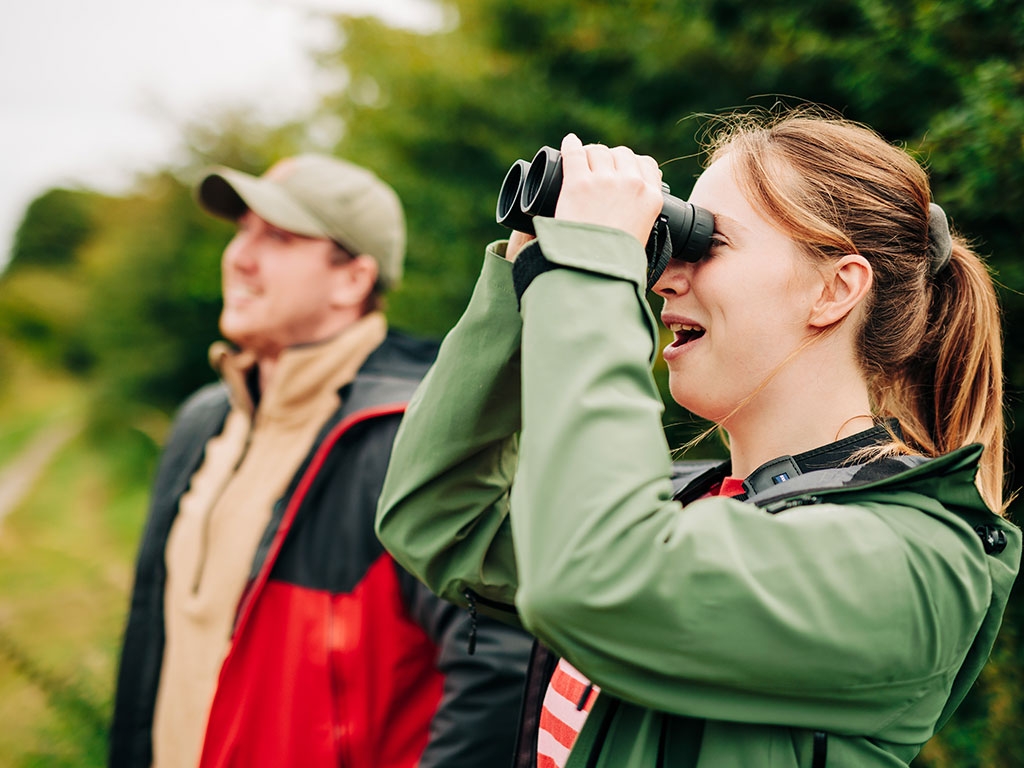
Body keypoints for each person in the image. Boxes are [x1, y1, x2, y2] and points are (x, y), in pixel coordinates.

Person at [375, 110, 1022, 767]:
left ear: (834, 289)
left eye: (707, 244)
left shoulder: (912, 562)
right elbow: (441, 517)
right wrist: (530, 271)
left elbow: (600, 576)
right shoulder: (686, 509)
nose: (663, 279)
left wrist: (592, 267)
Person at [108, 154, 533, 768]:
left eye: (278, 238)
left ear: (352, 280)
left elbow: (500, 663)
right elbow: (153, 637)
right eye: (243, 231)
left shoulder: (405, 437)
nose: (239, 257)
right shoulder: (205, 419)